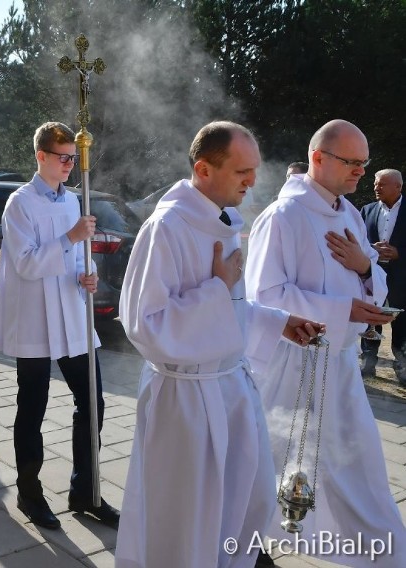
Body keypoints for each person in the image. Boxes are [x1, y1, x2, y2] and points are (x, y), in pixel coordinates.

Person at [116, 121, 323, 568]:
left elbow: (231, 307)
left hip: (230, 387)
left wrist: (276, 322)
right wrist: (216, 287)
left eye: (254, 170)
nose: (252, 181)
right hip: (185, 400)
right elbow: (143, 325)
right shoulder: (166, 228)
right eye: (242, 171)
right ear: (204, 169)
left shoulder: (224, 221)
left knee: (242, 506)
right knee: (185, 520)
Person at [246, 119, 406, 568]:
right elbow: (265, 297)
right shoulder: (283, 216)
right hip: (290, 365)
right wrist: (344, 310)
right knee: (269, 461)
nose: (360, 171)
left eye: (364, 163)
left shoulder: (350, 214)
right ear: (318, 158)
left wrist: (361, 268)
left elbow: (374, 277)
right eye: (351, 162)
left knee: (359, 466)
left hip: (339, 364)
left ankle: (385, 552)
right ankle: (247, 547)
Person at [0, 121, 117, 530]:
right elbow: (25, 263)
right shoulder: (19, 203)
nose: (71, 164)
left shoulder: (71, 201)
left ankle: (86, 489)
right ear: (41, 156)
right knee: (33, 406)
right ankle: (30, 492)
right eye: (63, 157)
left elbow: (79, 255)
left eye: (73, 158)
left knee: (92, 402)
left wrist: (89, 272)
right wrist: (70, 238)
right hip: (36, 319)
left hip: (73, 312)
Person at [360, 169, 406, 382]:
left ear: (398, 187)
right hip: (373, 273)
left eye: (382, 184)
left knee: (402, 321)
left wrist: (399, 253)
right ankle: (368, 364)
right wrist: (371, 248)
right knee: (370, 315)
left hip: (401, 275)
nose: (376, 187)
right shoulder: (367, 210)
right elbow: (358, 242)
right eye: (376, 183)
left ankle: (402, 366)